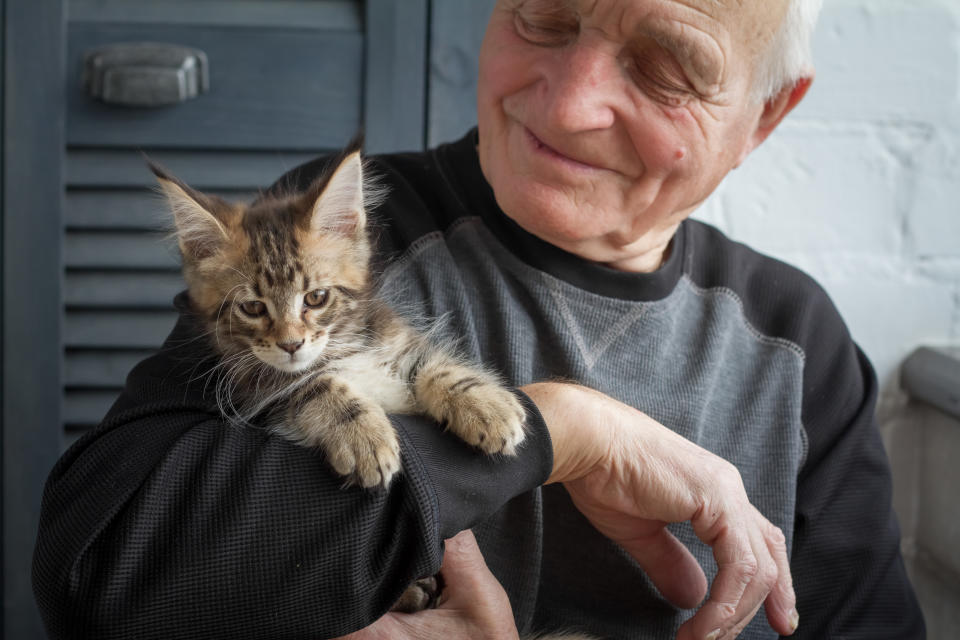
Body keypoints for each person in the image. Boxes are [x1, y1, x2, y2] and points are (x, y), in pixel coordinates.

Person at [33, 0, 925, 638]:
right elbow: (102, 577)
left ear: (766, 115)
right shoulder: (333, 234)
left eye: (666, 67)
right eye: (544, 16)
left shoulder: (798, 341)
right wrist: (558, 430)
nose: (570, 104)